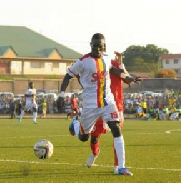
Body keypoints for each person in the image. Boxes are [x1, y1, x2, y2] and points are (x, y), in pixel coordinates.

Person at [59, 33, 139, 175]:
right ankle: (76, 123)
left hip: (108, 102)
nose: (97, 49)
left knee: (116, 128)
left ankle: (121, 167)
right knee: (84, 138)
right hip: (90, 105)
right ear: (91, 45)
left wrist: (128, 77)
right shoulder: (83, 61)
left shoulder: (107, 60)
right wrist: (61, 93)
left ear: (104, 47)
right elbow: (68, 75)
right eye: (95, 46)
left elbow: (114, 70)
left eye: (100, 46)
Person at [84, 51, 139, 174]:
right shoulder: (94, 64)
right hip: (99, 105)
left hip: (116, 105)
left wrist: (122, 65)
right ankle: (95, 152)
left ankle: (118, 166)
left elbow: (127, 78)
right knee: (94, 137)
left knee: (117, 134)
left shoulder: (114, 64)